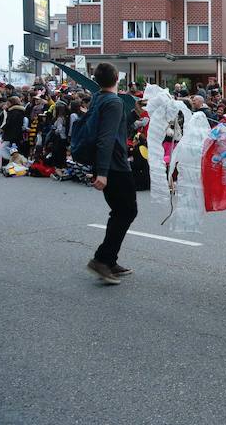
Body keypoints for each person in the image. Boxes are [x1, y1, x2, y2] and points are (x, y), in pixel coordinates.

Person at [86, 62, 138, 285]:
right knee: (126, 211)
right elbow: (106, 138)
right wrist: (103, 172)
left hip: (107, 165)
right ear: (117, 77)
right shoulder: (114, 102)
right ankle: (102, 259)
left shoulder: (97, 98)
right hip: (115, 166)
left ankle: (110, 260)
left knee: (120, 211)